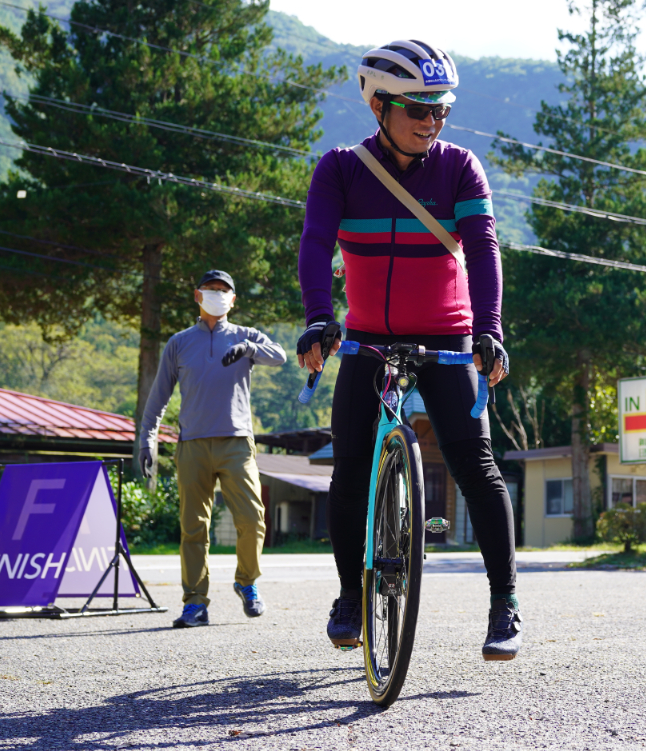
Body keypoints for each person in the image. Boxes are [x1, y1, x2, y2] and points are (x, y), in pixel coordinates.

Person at [297, 39, 521, 661]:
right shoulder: (340, 170)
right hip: (367, 339)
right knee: (350, 467)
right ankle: (349, 596)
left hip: (448, 337)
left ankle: (504, 605)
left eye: (440, 109)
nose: (432, 121)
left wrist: (489, 328)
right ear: (378, 105)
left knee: (476, 465)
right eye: (418, 108)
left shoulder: (460, 168)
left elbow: (482, 250)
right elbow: (316, 244)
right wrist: (320, 319)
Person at [138, 270, 288, 629]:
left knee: (252, 520)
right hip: (191, 445)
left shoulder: (245, 335)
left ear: (234, 300)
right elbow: (159, 395)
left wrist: (251, 349)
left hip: (236, 442)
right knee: (193, 528)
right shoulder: (179, 343)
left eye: (225, 291)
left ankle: (246, 582)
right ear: (197, 295)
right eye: (211, 289)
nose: (218, 295)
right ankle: (195, 603)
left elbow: (280, 355)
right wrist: (146, 437)